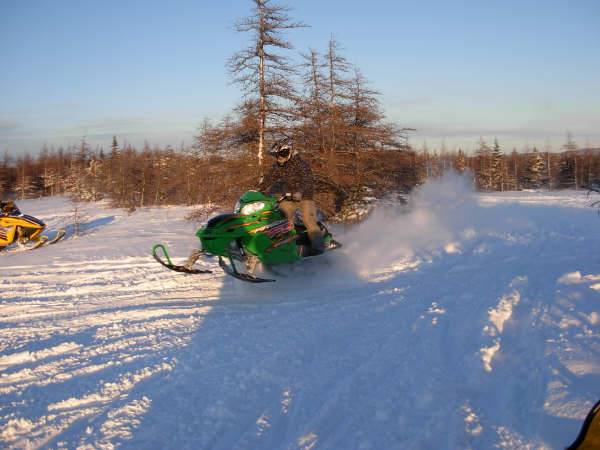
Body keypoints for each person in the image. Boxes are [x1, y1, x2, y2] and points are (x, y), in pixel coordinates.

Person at [260, 137, 325, 255]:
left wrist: (300, 192)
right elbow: (269, 178)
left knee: (308, 220)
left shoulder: (300, 164)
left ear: (289, 151)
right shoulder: (278, 166)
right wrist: (259, 190)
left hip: (304, 196)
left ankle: (319, 249)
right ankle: (286, 248)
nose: (279, 157)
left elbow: (307, 180)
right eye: (277, 155)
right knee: (281, 221)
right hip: (288, 197)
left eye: (282, 154)